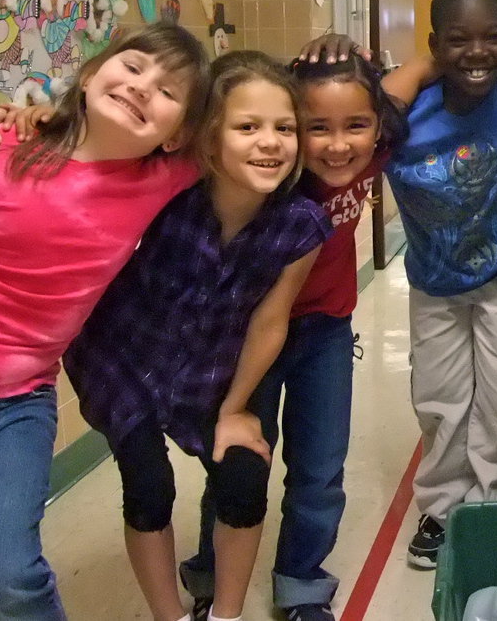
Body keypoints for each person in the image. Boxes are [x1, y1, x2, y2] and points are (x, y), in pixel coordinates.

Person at [0, 25, 210, 621]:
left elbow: (248, 116)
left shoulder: (158, 178)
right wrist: (10, 113)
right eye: (132, 67)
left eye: (167, 91)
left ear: (178, 135)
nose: (141, 88)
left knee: (2, 577)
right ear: (89, 75)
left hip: (16, 404)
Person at [57, 51, 330, 621]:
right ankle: (168, 614)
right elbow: (87, 149)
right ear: (209, 139)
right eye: (247, 127)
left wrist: (235, 408)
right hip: (123, 356)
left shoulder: (300, 225)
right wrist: (30, 118)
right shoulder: (166, 193)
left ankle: (225, 614)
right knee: (149, 486)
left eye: (284, 128)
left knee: (244, 475)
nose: (270, 143)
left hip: (215, 368)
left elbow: (269, 320)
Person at [180, 51, 409, 621]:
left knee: (320, 468)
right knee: (237, 459)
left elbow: (406, 82)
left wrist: (487, 59)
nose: (337, 145)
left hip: (325, 334)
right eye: (314, 128)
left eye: (355, 125)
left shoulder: (368, 150)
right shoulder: (270, 179)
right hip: (248, 338)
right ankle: (212, 569)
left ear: (376, 125)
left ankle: (302, 585)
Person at [385, 0, 497, 567]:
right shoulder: (406, 112)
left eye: (492, 37)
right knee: (440, 397)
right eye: (458, 40)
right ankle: (442, 507)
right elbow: (356, 116)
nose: (477, 52)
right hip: (434, 278)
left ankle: (496, 509)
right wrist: (415, 70)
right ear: (434, 44)